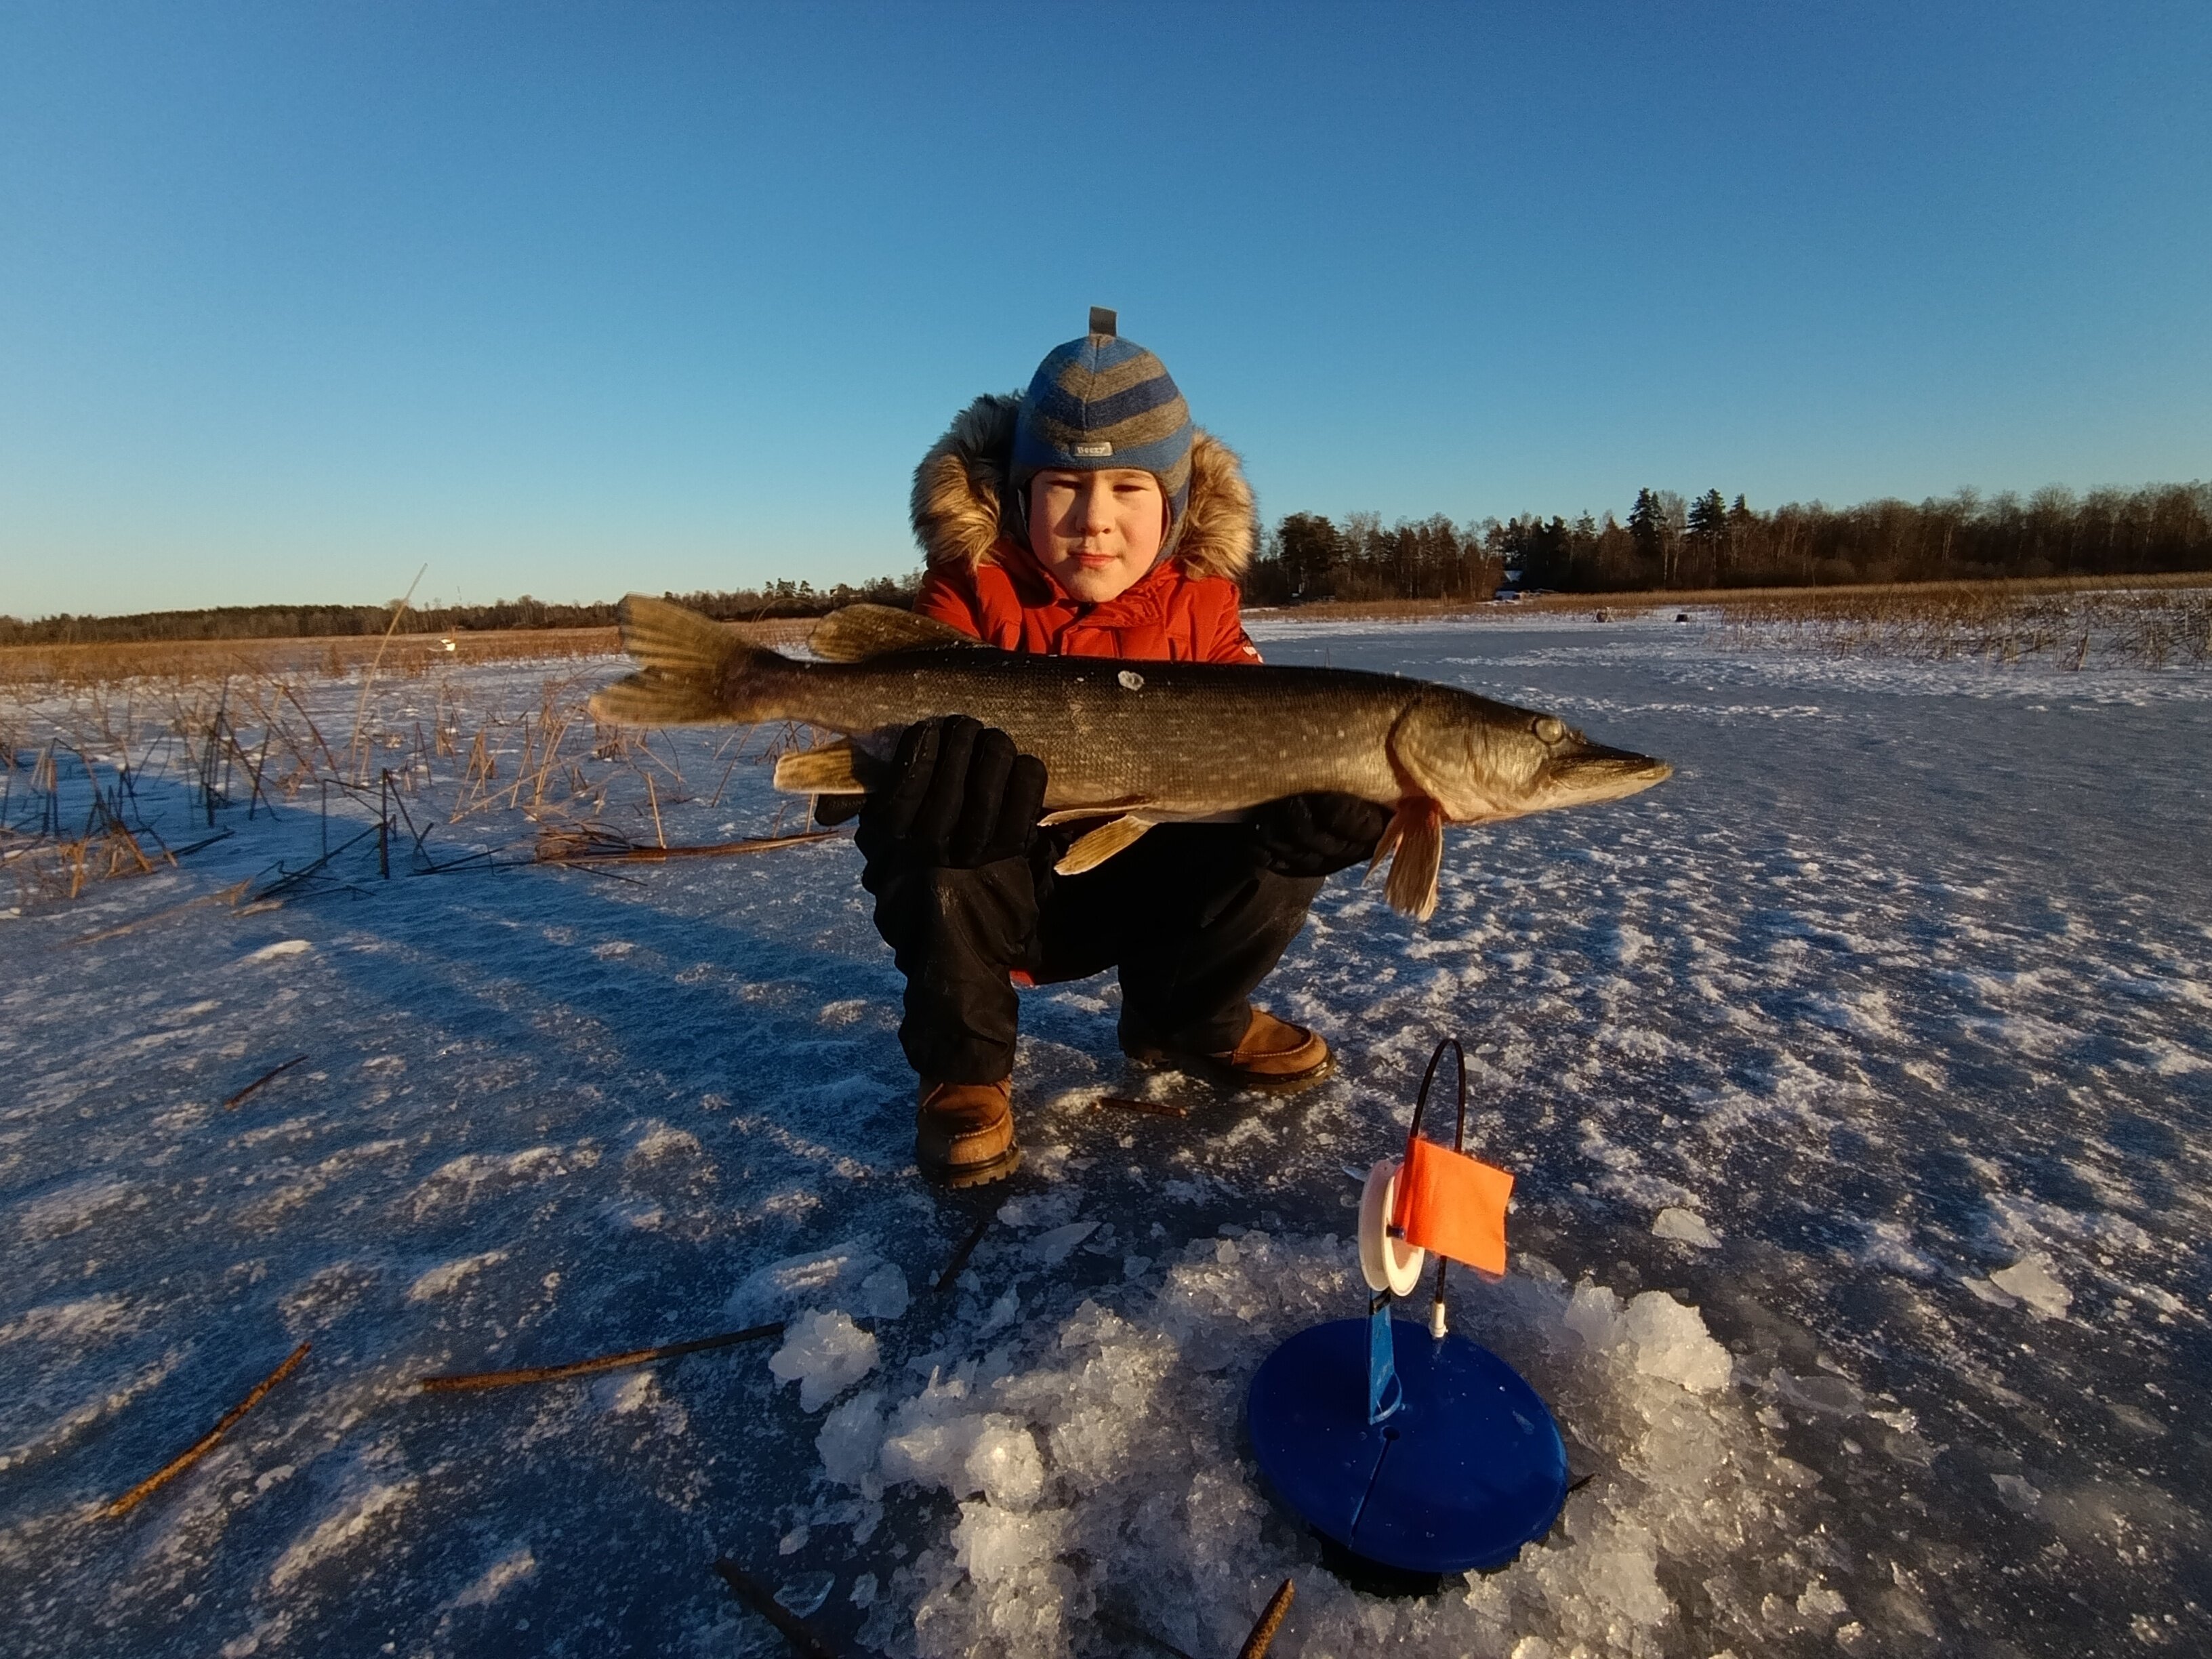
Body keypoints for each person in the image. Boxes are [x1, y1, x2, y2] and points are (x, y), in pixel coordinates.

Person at [855, 310, 1389, 1187]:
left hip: (1142, 884)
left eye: (1130, 489)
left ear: (1175, 509)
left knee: (1290, 812)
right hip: (1010, 889)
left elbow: (1271, 733)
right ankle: (965, 1067)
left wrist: (1338, 805)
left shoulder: (1204, 609)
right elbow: (881, 745)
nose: (1093, 520)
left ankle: (1187, 1020)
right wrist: (902, 796)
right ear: (1019, 494)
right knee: (934, 821)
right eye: (1062, 485)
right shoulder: (965, 598)